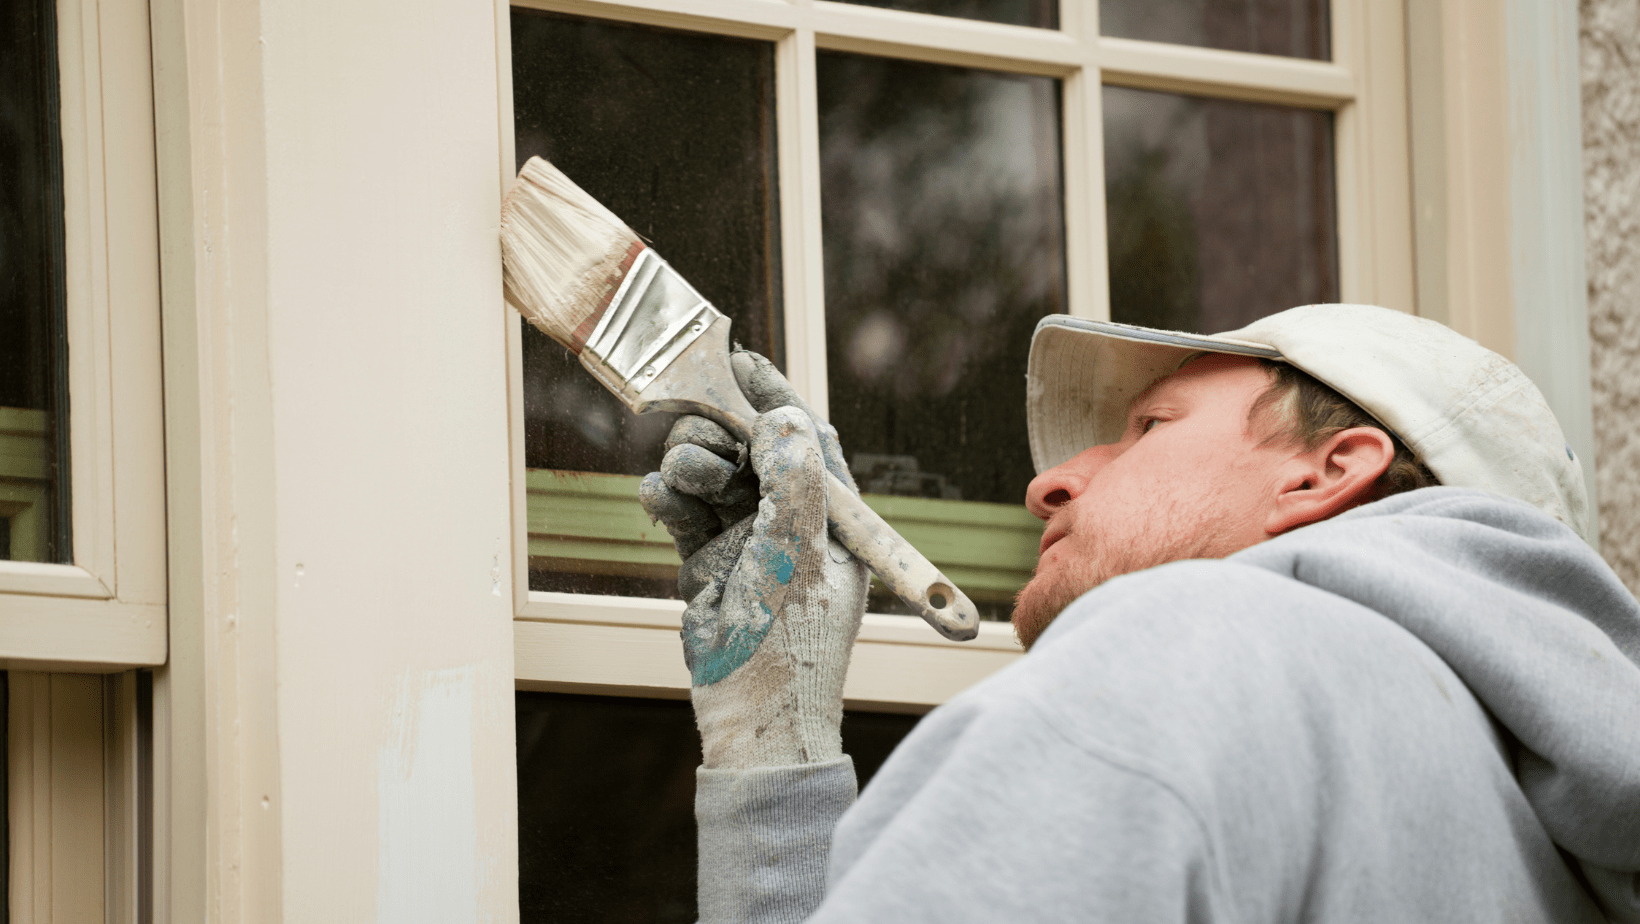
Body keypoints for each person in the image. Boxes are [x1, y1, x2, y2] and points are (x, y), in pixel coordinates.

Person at [638, 303, 1640, 923]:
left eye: (1149, 427)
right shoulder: (1540, 838)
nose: (1050, 485)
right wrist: (776, 750)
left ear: (1326, 472)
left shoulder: (1189, 650)